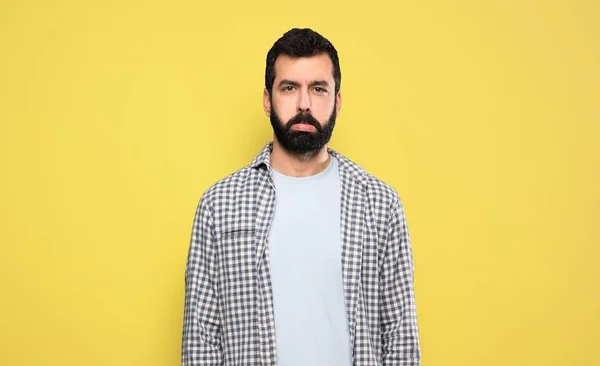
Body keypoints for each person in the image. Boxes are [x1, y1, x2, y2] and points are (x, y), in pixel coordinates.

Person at [182, 28, 421, 366]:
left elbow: (400, 339)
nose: (304, 103)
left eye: (318, 89)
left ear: (337, 101)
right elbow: (201, 342)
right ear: (268, 99)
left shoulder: (379, 204)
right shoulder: (219, 206)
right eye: (289, 87)